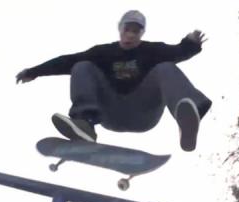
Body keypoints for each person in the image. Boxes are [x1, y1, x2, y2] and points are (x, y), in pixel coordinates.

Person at [16, 10, 212, 152]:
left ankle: (186, 119)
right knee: (82, 65)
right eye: (128, 30)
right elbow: (67, 61)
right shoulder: (103, 53)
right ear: (121, 29)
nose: (131, 35)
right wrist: (35, 71)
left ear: (141, 34)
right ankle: (85, 124)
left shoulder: (153, 50)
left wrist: (191, 43)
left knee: (165, 67)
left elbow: (178, 52)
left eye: (136, 32)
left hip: (144, 113)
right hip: (110, 113)